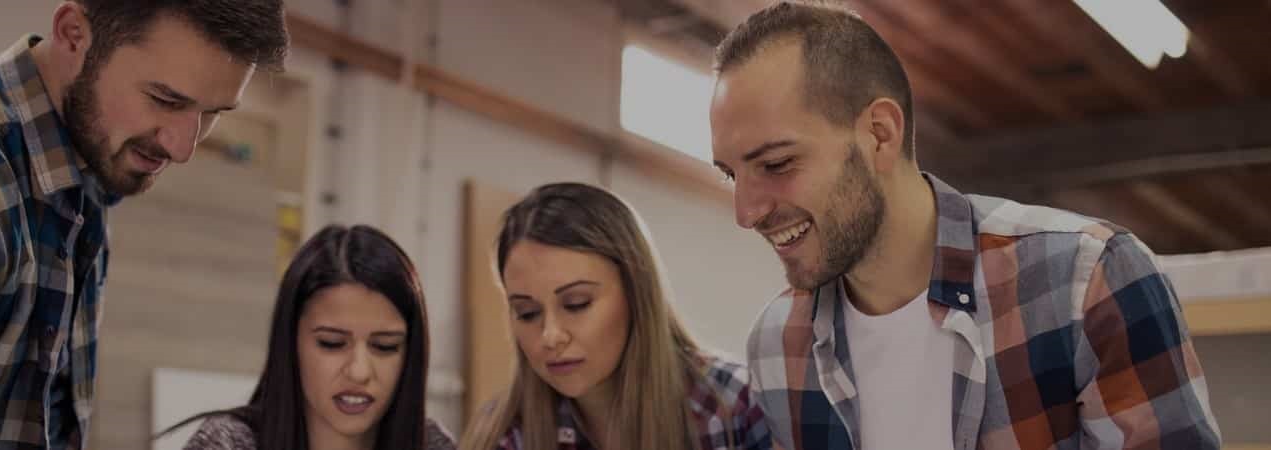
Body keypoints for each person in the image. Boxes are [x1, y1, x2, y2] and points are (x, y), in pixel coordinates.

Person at [708, 2, 1221, 449]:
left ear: (880, 135)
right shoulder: (776, 345)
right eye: (732, 174)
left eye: (776, 165)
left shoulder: (1086, 283)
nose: (746, 212)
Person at [0, 1, 288, 447]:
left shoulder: (84, 170)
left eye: (214, 113)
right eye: (166, 99)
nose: (183, 146)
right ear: (74, 34)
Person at [459, 182, 772, 450]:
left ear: (636, 293)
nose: (550, 335)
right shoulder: (504, 436)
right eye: (527, 313)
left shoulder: (737, 405)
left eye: (577, 303)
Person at [164, 225, 457, 450]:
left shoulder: (432, 443)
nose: (359, 370)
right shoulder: (228, 444)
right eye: (331, 343)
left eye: (384, 347)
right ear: (290, 343)